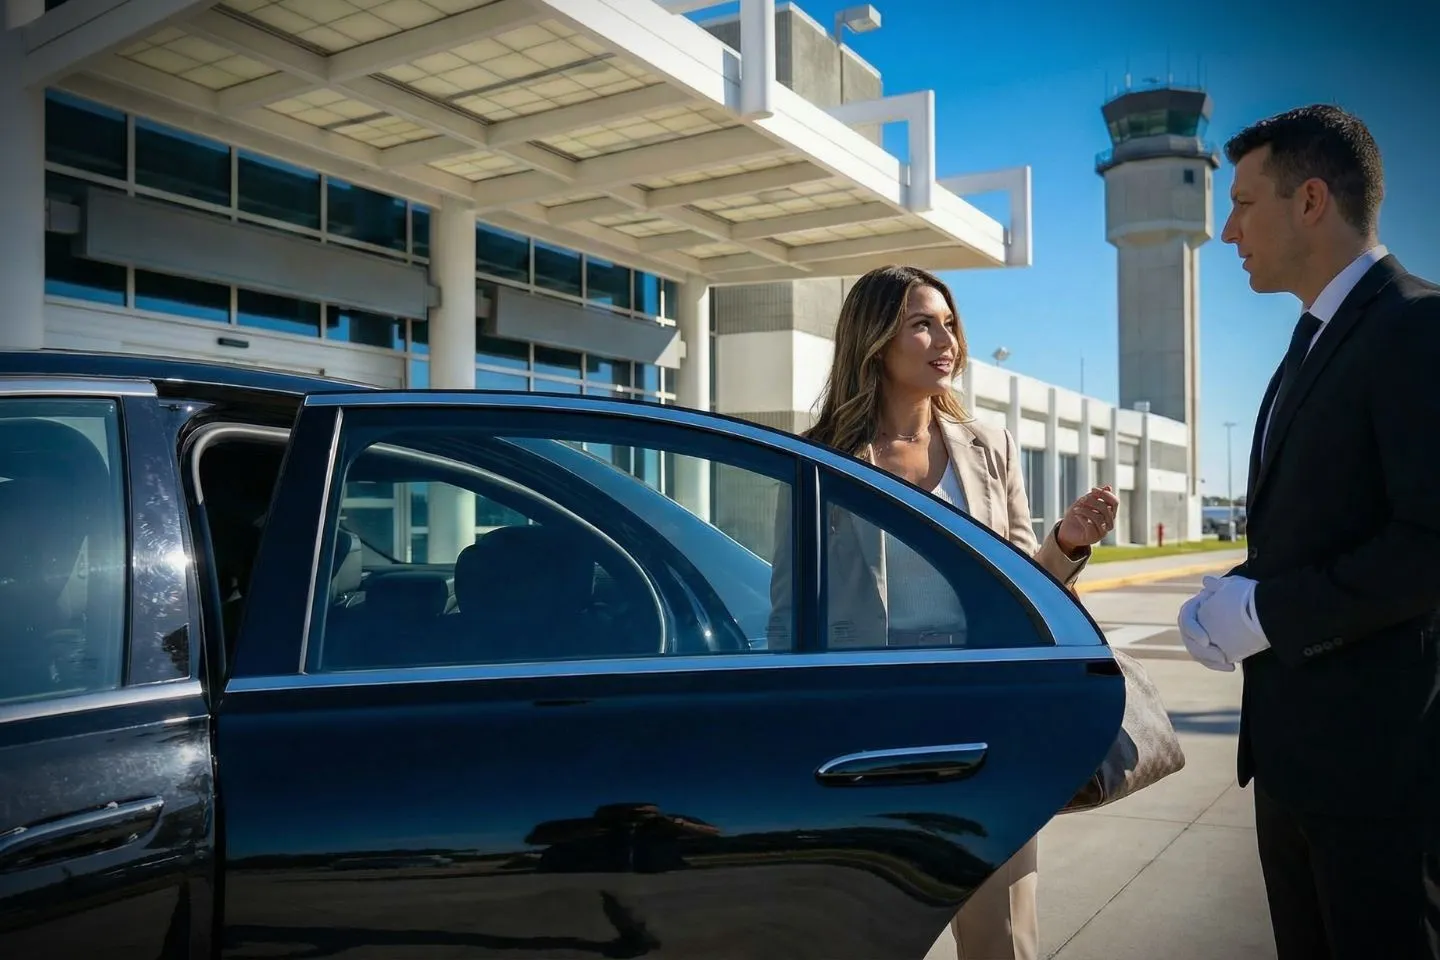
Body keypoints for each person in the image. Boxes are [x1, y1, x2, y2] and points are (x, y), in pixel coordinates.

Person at [770, 264, 1118, 959]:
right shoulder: (821, 459)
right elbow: (789, 611)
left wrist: (1067, 545)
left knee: (1004, 941)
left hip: (984, 727)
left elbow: (1028, 593)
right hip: (868, 735)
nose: (945, 339)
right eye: (922, 323)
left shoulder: (989, 451)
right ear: (874, 340)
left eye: (950, 323)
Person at [1177, 104, 1440, 960]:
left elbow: (1428, 545)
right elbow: (1321, 528)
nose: (1226, 230)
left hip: (1381, 780)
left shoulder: (1416, 326)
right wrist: (1234, 597)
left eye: (1244, 203)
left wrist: (1267, 614)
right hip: (1293, 771)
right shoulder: (1309, 343)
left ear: (1312, 200)